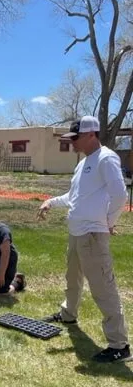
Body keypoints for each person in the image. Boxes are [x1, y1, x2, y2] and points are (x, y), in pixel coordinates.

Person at [38, 115, 130, 363]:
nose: (72, 143)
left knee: (103, 288)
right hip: (77, 233)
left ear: (92, 134)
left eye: (75, 138)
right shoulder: (83, 164)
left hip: (92, 234)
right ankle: (68, 313)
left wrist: (107, 223)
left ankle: (119, 345)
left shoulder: (106, 158)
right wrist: (51, 202)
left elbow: (120, 195)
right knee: (72, 279)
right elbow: (74, 196)